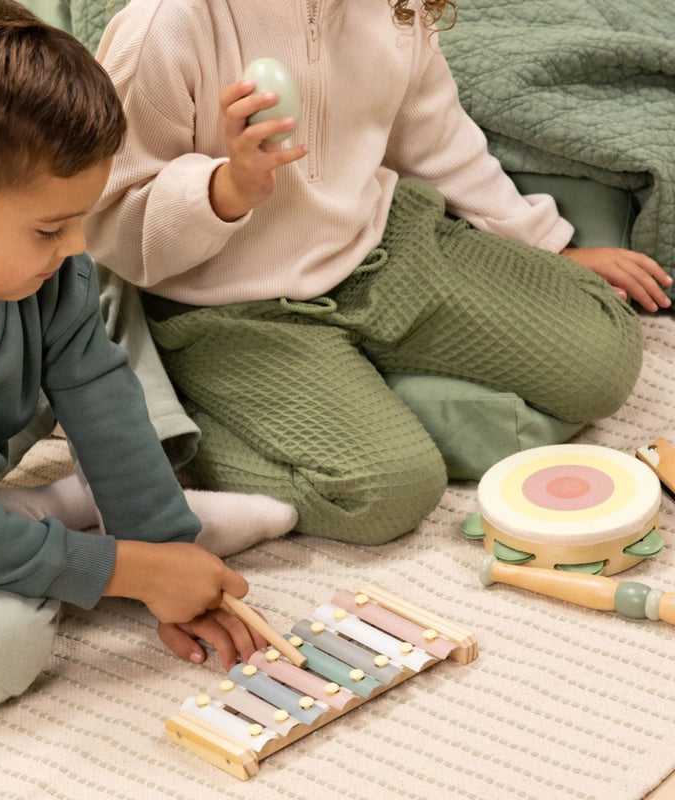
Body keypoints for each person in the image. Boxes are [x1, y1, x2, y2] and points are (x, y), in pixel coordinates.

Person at [84, 0, 671, 546]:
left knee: (604, 352)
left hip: (382, 251)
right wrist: (226, 190)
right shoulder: (169, 23)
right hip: (231, 312)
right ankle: (173, 439)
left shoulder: (395, 6)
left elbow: (435, 136)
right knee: (386, 496)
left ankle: (364, 388)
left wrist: (545, 242)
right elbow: (108, 224)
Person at [0, 0, 299, 708]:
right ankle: (49, 514)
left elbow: (100, 395)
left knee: (86, 467)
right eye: (50, 228)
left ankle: (53, 510)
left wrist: (165, 546)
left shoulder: (42, 266)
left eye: (79, 220)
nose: (76, 247)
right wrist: (130, 572)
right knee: (3, 649)